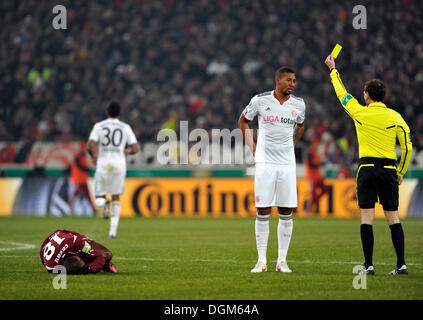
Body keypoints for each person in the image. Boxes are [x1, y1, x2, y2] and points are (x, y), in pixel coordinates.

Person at [325, 54, 413, 275]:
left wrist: (333, 70)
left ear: (366, 95)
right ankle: (401, 264)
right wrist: (400, 171)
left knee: (367, 218)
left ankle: (369, 266)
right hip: (389, 169)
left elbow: (342, 95)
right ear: (384, 96)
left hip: (366, 169)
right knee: (393, 218)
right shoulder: (395, 117)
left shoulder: (360, 113)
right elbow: (408, 146)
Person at [238, 67, 305, 273]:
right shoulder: (260, 100)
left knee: (286, 211)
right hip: (265, 163)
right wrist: (252, 147)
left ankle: (282, 261)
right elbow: (242, 121)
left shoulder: (299, 104)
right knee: (263, 210)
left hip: (286, 164)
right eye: (288, 80)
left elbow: (300, 125)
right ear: (278, 81)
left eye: (294, 80)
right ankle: (261, 261)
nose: (292, 84)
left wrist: (292, 143)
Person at [87, 101, 139, 239]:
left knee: (99, 199)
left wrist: (93, 156)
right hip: (119, 165)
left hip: (103, 164)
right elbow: (135, 149)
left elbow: (89, 146)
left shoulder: (99, 126)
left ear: (106, 112)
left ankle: (104, 203)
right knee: (116, 197)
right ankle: (112, 233)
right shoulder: (125, 127)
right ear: (120, 113)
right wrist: (124, 152)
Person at [40, 229, 118, 274]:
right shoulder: (52, 268)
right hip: (51, 243)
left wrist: (88, 269)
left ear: (76, 257)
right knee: (97, 258)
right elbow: (42, 253)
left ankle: (105, 264)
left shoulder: (76, 241)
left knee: (106, 254)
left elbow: (99, 257)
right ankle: (104, 265)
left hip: (66, 235)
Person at [68, 141, 96, 214]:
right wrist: (87, 169)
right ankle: (69, 210)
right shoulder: (77, 157)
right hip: (77, 180)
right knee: (73, 196)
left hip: (83, 180)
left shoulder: (83, 157)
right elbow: (80, 166)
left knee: (88, 196)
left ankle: (93, 209)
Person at [305, 136, 329, 215]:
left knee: (325, 190)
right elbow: (311, 164)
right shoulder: (310, 152)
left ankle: (312, 202)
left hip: (318, 176)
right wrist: (319, 163)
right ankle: (307, 211)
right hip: (312, 177)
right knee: (312, 194)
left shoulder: (315, 152)